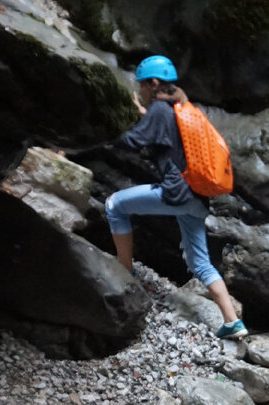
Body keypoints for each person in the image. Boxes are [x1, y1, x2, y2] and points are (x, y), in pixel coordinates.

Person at [105, 54, 247, 339]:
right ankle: (233, 322)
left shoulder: (160, 108)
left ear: (154, 83)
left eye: (143, 86)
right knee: (200, 263)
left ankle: (125, 269)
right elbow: (168, 135)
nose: (141, 92)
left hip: (175, 192)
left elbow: (133, 141)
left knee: (115, 205)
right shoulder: (180, 108)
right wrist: (144, 116)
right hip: (196, 199)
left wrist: (99, 135)